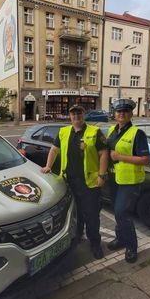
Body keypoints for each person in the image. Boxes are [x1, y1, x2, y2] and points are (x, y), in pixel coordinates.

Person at [41, 105, 109, 259]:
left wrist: (102, 175)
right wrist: (48, 166)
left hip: (89, 183)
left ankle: (95, 242)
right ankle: (78, 235)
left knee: (91, 214)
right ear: (69, 116)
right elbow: (54, 150)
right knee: (76, 213)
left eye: (79, 112)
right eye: (73, 113)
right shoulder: (63, 132)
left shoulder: (94, 132)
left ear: (83, 114)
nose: (76, 116)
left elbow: (104, 154)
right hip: (69, 182)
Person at [107, 98, 150, 263]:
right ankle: (121, 239)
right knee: (116, 212)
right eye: (119, 111)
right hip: (114, 178)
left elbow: (145, 159)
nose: (122, 114)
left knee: (122, 213)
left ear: (131, 114)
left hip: (130, 181)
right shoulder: (112, 130)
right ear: (115, 114)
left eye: (125, 111)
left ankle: (132, 246)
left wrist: (120, 157)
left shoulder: (137, 134)